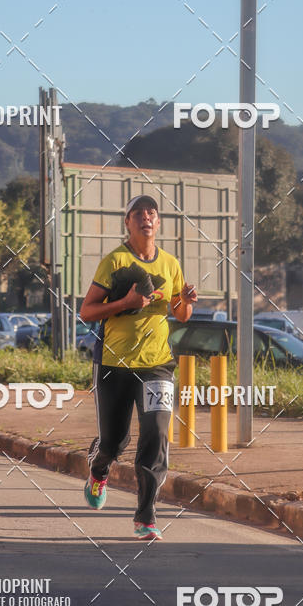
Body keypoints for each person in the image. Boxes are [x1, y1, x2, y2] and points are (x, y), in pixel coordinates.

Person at [79, 194, 197, 540]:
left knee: (156, 436)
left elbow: (180, 314)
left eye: (152, 213)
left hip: (157, 364)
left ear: (158, 222)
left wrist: (185, 301)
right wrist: (126, 303)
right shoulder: (114, 261)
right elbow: (87, 311)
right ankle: (99, 469)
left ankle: (145, 516)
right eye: (138, 213)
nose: (146, 217)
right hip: (114, 363)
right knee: (114, 442)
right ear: (127, 222)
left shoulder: (171, 264)